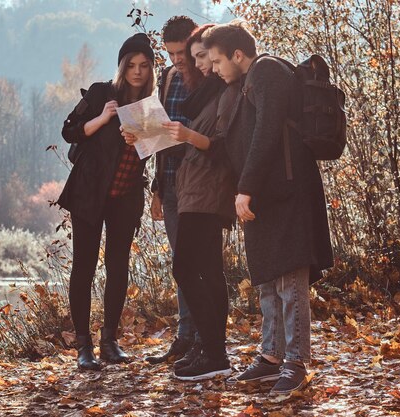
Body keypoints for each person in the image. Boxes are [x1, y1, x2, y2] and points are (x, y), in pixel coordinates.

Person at [202, 21, 334, 394]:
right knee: (268, 280)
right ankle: (271, 357)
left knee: (290, 281)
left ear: (238, 55)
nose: (213, 69)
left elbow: (268, 130)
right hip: (268, 196)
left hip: (287, 194)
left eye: (216, 61)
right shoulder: (246, 82)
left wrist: (245, 188)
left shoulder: (266, 71)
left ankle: (296, 362)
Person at [125, 24, 239, 380]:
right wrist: (144, 135)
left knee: (190, 269)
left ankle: (213, 351)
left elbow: (221, 143)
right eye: (192, 58)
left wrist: (187, 136)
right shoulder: (197, 86)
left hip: (208, 189)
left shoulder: (224, 88)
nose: (198, 64)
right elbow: (189, 137)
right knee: (203, 271)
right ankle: (209, 349)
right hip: (191, 185)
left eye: (203, 57)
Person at [56, 33, 156, 371]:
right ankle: (84, 346)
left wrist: (141, 137)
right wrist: (102, 119)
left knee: (118, 268)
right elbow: (69, 130)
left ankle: (109, 341)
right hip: (89, 193)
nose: (137, 71)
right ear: (122, 66)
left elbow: (153, 150)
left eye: (144, 65)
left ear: (151, 69)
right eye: (131, 65)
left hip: (126, 196)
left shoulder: (151, 103)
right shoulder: (102, 91)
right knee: (83, 267)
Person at [144, 15, 203, 365]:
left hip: (199, 184)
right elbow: (159, 137)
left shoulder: (207, 75)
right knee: (180, 264)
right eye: (170, 54)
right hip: (170, 184)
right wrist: (156, 188)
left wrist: (183, 130)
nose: (177, 60)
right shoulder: (167, 78)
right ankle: (184, 337)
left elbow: (214, 128)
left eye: (181, 52)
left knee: (200, 265)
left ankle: (204, 339)